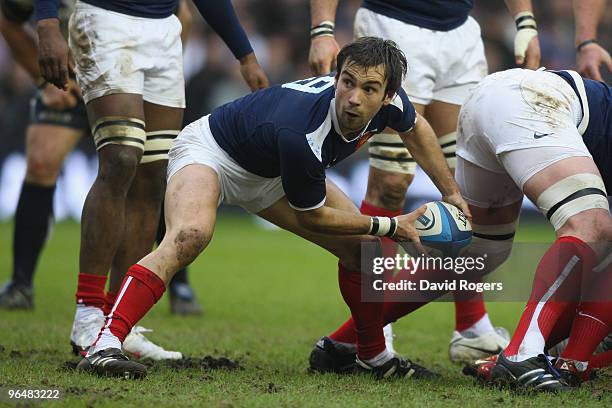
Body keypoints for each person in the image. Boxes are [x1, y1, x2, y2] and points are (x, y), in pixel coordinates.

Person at [73, 37, 471, 379]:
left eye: (368, 89)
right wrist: (391, 226)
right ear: (336, 77)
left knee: (361, 251)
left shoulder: (391, 104)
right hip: (214, 150)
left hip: (271, 171)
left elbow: (416, 127)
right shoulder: (302, 132)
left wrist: (451, 192)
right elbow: (313, 216)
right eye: (347, 82)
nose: (353, 97)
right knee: (190, 234)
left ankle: (372, 356)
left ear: (388, 95)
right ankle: (105, 343)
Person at [33, 0, 269, 359]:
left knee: (153, 173)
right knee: (121, 156)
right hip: (104, 18)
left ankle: (119, 324)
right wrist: (47, 22)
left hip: (164, 27)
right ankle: (89, 312)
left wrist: (245, 54)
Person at [308, 0, 541, 362]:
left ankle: (472, 326)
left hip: (460, 33)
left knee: (468, 188)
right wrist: (323, 28)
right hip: (391, 22)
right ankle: (375, 326)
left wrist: (525, 21)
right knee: (391, 183)